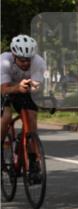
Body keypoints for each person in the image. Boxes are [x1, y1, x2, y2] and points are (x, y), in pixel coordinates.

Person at [0, 35, 47, 182]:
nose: (26, 63)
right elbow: (4, 89)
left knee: (31, 120)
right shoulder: (4, 61)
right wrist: (18, 88)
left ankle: (33, 164)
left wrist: (35, 87)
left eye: (29, 59)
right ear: (14, 56)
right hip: (4, 89)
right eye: (22, 60)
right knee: (6, 117)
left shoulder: (38, 62)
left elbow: (36, 86)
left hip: (23, 91)